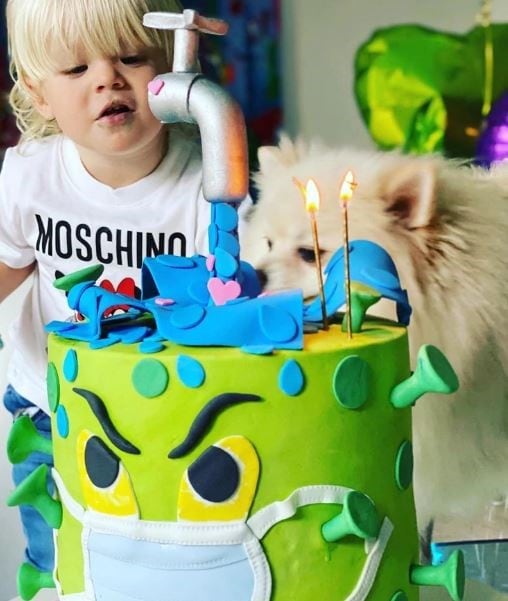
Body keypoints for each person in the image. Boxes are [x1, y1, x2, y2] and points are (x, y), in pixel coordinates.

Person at [0, 0, 236, 578]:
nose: (107, 77)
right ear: (38, 93)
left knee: (160, 561)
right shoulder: (29, 176)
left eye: (131, 57)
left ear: (175, 69)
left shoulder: (208, 187)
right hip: (52, 407)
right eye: (77, 71)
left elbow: (231, 307)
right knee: (64, 560)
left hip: (168, 416)